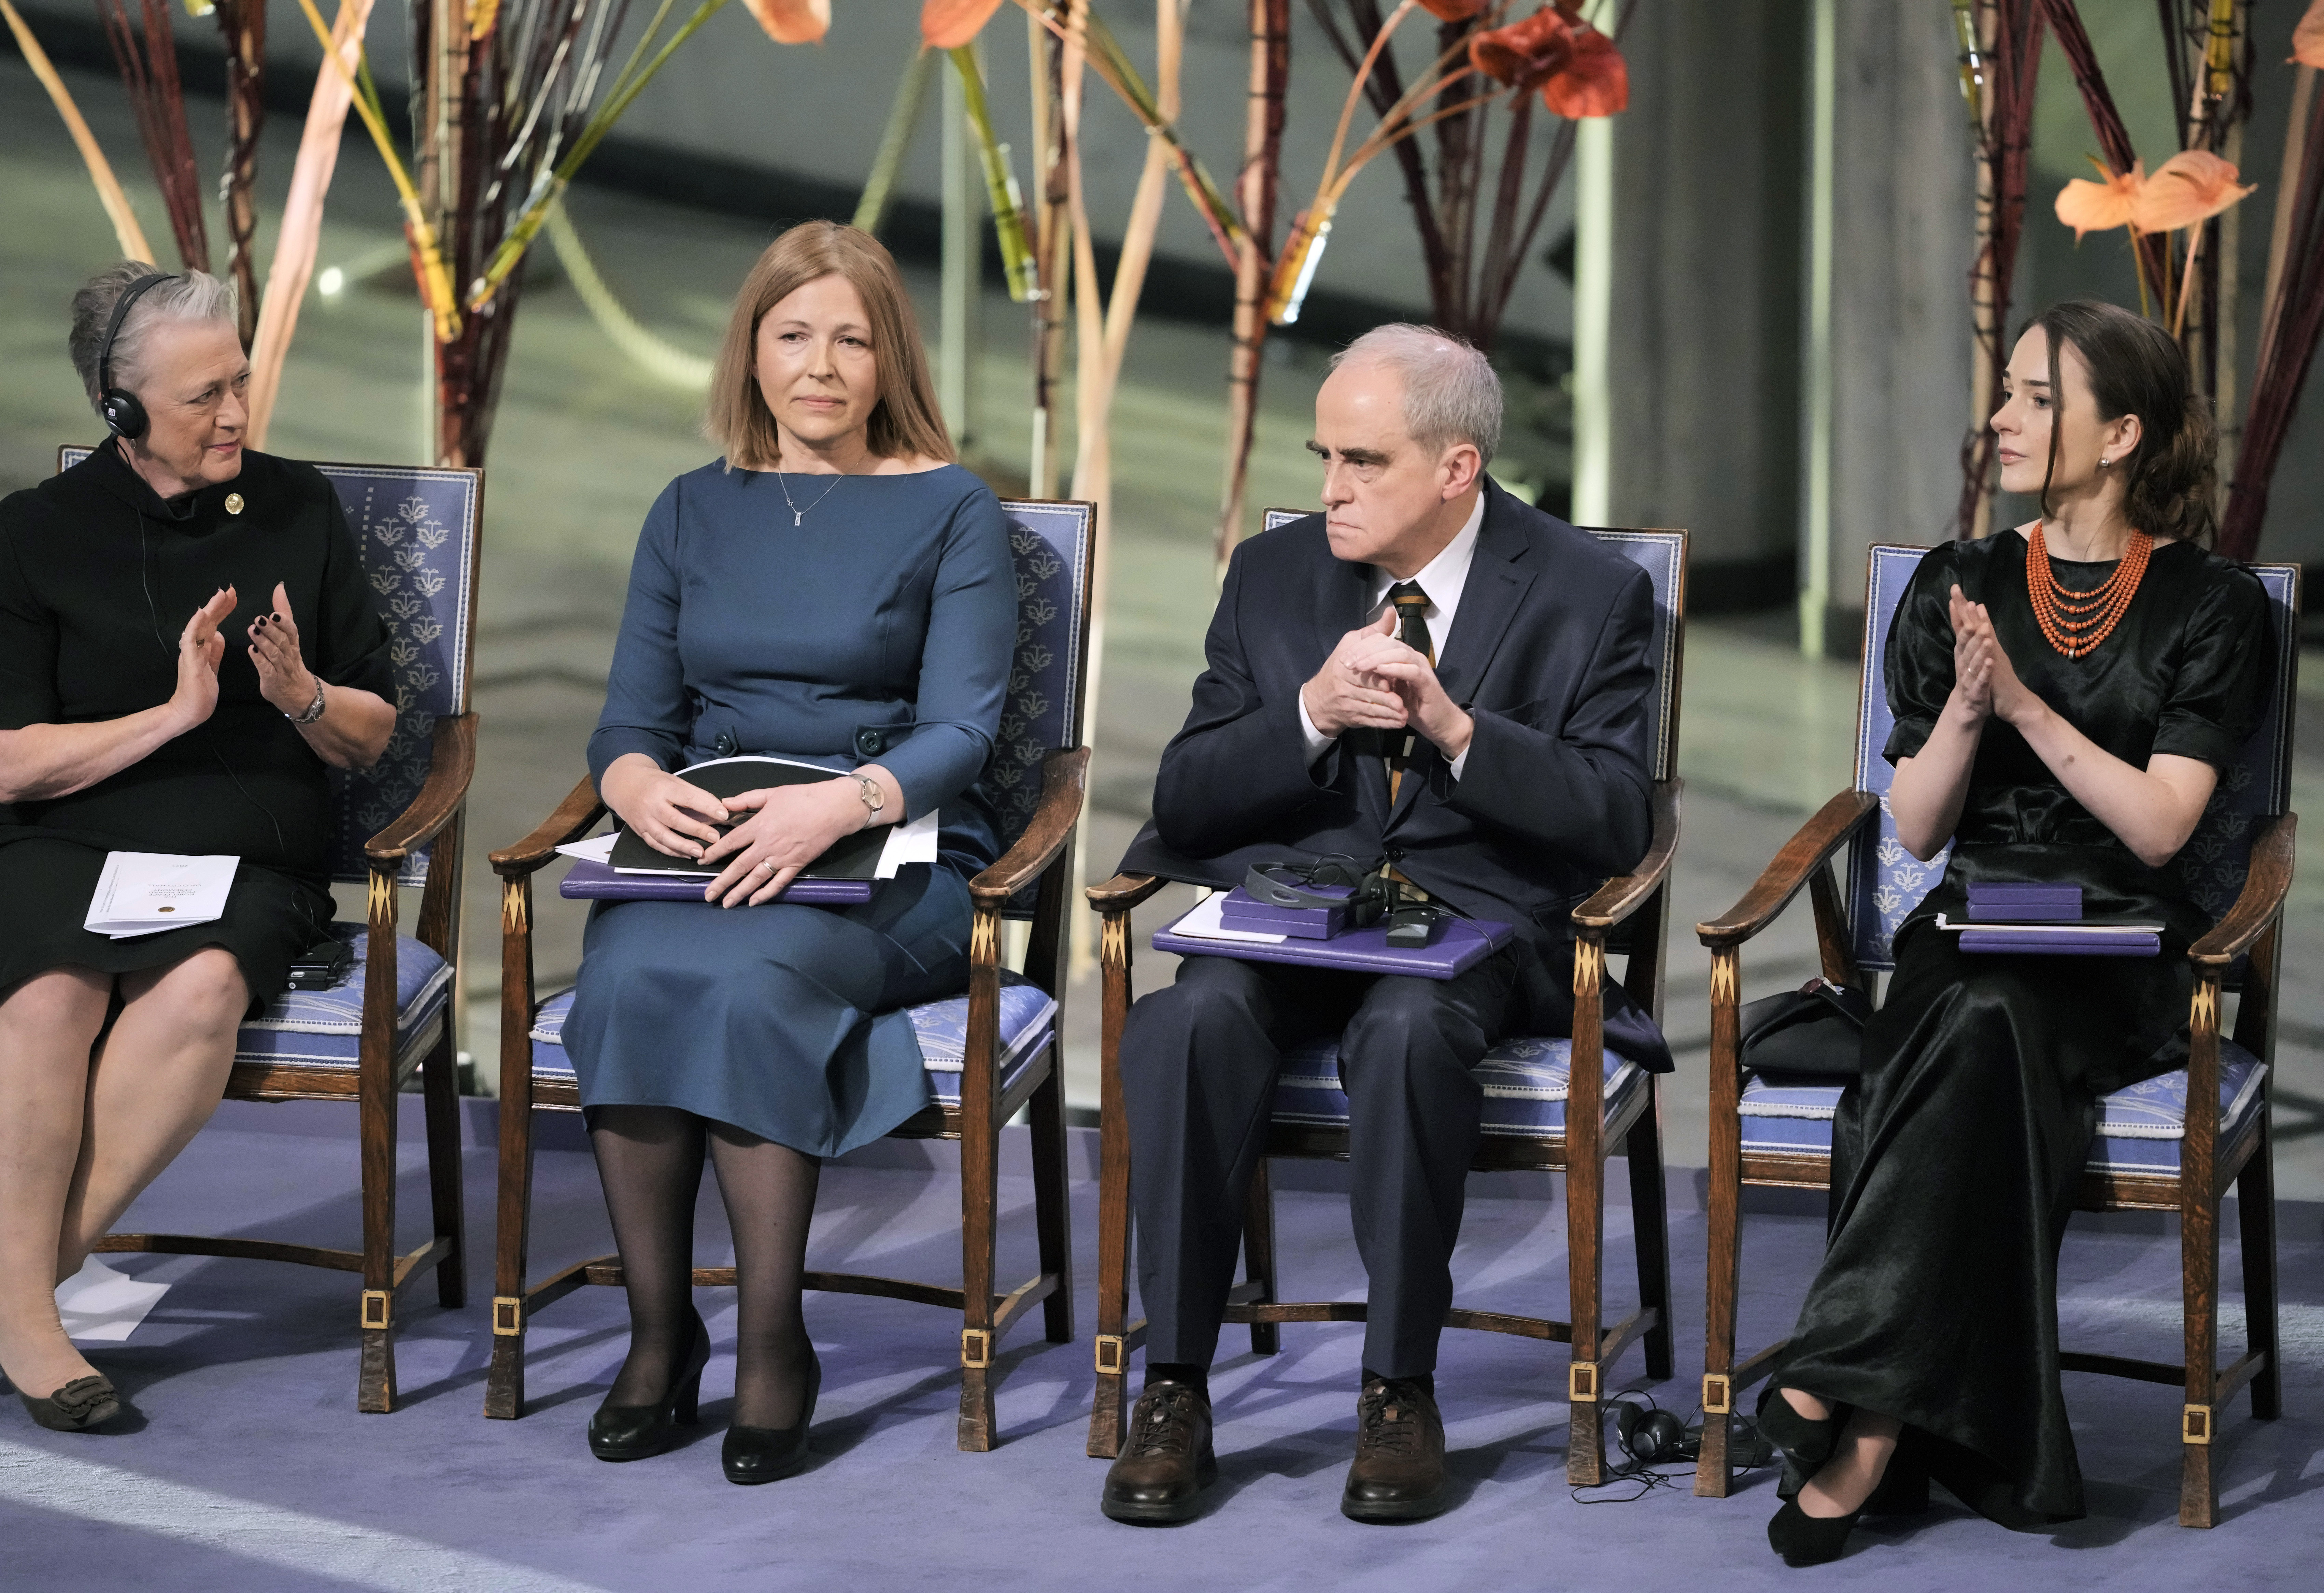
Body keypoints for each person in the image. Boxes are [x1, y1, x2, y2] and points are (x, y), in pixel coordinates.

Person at [1099, 324, 1671, 1526]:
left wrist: (1461, 734)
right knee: (1188, 1018)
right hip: (1302, 911)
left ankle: (1399, 1387)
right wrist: (1308, 710)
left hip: (1473, 933)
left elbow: (1619, 821)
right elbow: (1185, 797)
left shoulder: (1589, 593)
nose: (1329, 490)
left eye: (1363, 462)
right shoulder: (1277, 576)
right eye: (1325, 457)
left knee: (1409, 1032)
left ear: (1457, 469)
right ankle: (1176, 1386)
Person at [1756, 300, 2276, 1565]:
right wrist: (1965, 716)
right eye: (2009, 392)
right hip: (1972, 917)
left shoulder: (2214, 607)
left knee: (1982, 1026)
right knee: (1974, 1010)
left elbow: (2162, 830)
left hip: (2128, 947)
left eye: (2040, 397)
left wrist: (2031, 711)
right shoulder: (1958, 583)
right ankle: (1875, 1422)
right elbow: (1921, 827)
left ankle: (1844, 1395)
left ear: (2122, 436)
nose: (2002, 415)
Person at [559, 221, 1015, 1484]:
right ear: (752, 349)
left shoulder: (953, 508)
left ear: (890, 359)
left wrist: (841, 803)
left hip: (896, 850)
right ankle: (661, 1335)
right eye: (794, 334)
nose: (821, 366)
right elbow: (631, 717)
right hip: (708, 840)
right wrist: (635, 781)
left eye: (853, 339)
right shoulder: (693, 506)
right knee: (632, 979)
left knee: (756, 984)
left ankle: (774, 1344)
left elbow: (967, 729)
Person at [0, 264, 397, 1430]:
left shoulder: (299, 510)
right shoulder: (42, 532)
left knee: (200, 988)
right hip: (61, 837)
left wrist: (299, 695)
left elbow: (373, 730)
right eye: (204, 396)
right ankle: (34, 1320)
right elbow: (8, 762)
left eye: (242, 381)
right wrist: (171, 716)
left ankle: (9, 1281)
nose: (237, 412)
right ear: (121, 408)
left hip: (242, 859)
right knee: (45, 998)